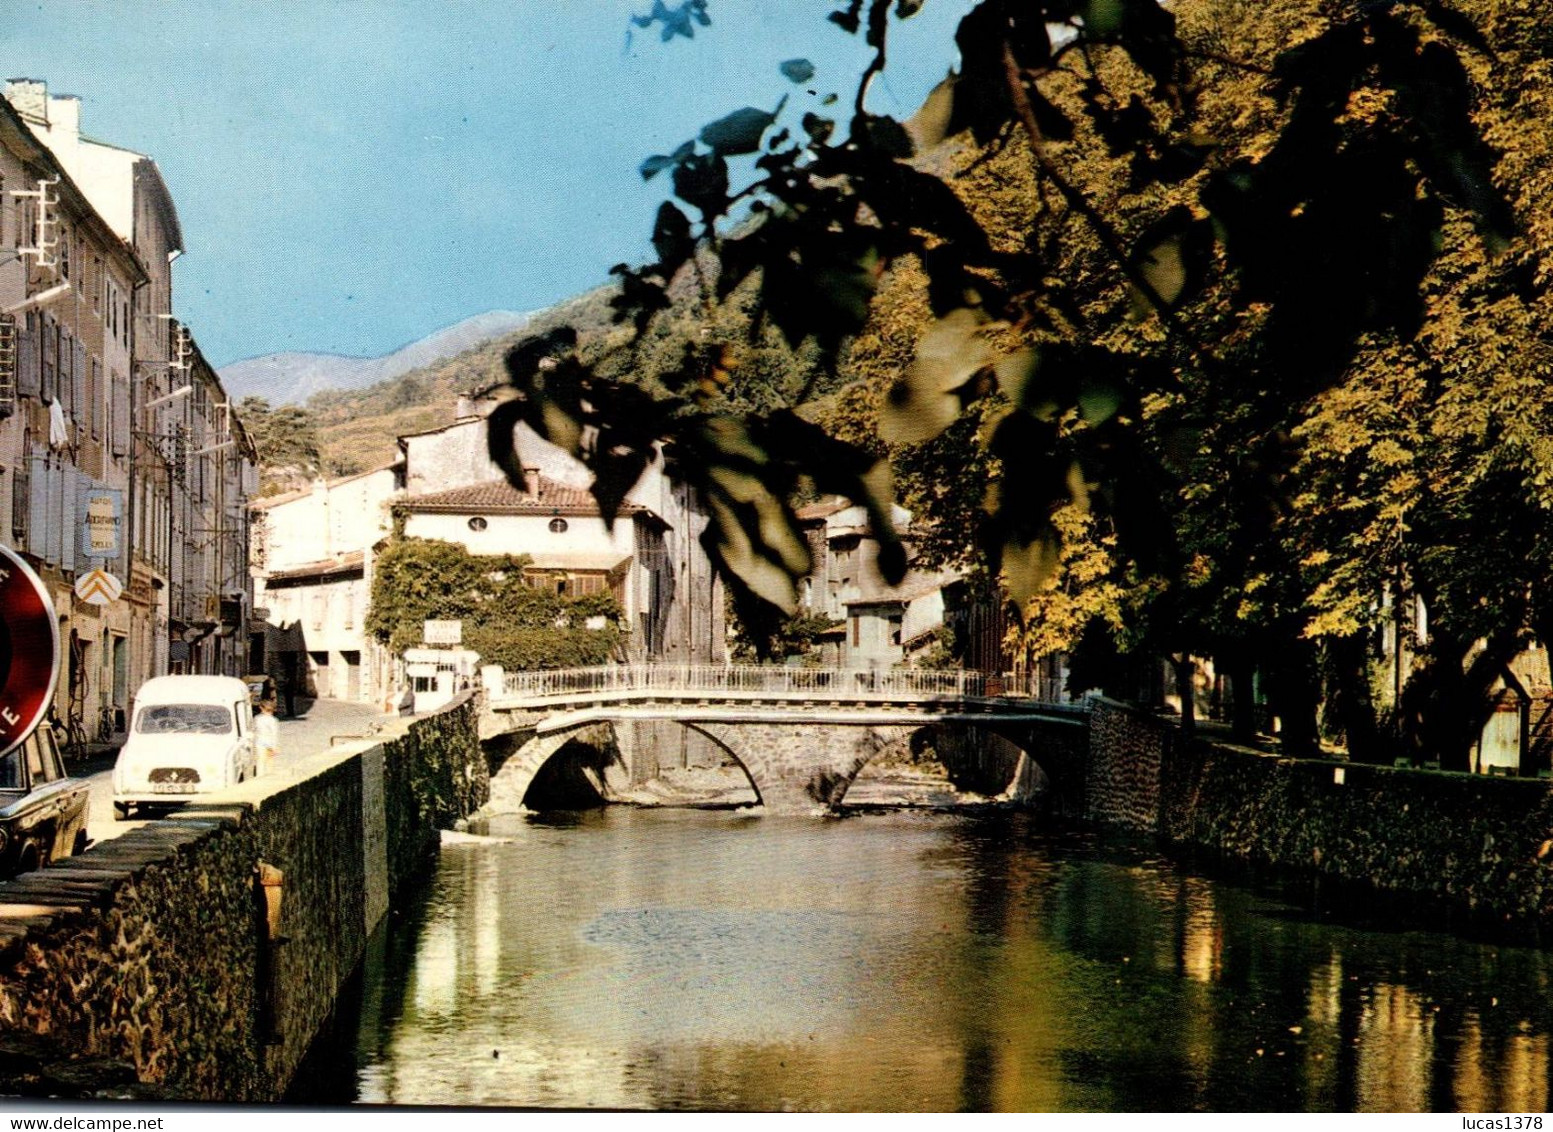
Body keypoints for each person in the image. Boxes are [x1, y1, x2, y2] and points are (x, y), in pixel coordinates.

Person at [255, 698, 280, 774]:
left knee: (260, 763)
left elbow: (255, 730)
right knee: (270, 763)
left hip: (259, 742)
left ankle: (259, 778)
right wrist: (275, 747)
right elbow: (274, 734)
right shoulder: (273, 720)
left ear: (261, 708)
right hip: (270, 743)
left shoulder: (257, 718)